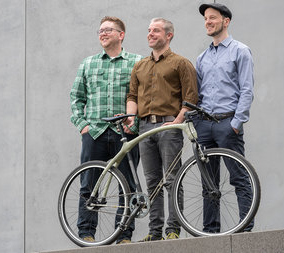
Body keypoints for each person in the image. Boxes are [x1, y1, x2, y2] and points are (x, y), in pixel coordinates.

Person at [70, 16, 142, 244]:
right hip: (95, 133)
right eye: (100, 30)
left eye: (108, 30)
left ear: (121, 35)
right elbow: (76, 97)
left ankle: (124, 235)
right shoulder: (88, 64)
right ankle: (86, 234)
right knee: (88, 184)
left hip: (126, 134)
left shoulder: (137, 62)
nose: (102, 33)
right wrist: (83, 126)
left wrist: (135, 124)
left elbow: (143, 96)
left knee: (128, 185)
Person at [125, 17, 198, 241]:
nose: (150, 34)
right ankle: (155, 232)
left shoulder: (181, 63)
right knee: (152, 181)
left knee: (172, 179)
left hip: (169, 125)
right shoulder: (140, 66)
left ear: (169, 35)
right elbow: (132, 96)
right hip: (145, 127)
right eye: (148, 30)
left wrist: (177, 121)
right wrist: (130, 118)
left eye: (155, 31)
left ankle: (173, 229)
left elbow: (191, 98)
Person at [195, 3, 255, 232]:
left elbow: (247, 89)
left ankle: (245, 229)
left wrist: (236, 124)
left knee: (239, 178)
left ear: (226, 21)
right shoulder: (202, 57)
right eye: (206, 19)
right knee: (208, 184)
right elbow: (198, 93)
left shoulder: (240, 50)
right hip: (205, 126)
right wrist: (197, 122)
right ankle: (211, 232)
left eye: (212, 18)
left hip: (228, 124)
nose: (208, 22)